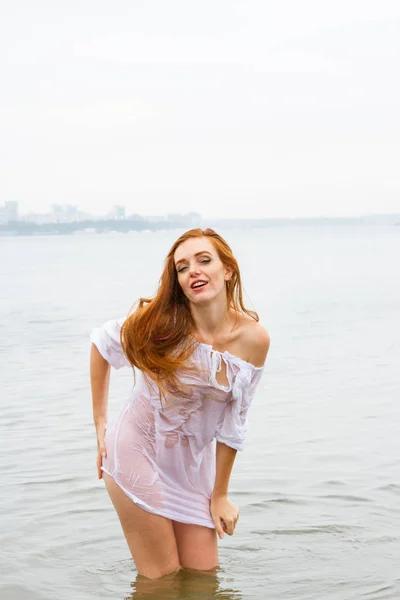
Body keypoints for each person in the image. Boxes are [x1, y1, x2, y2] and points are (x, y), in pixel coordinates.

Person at [90, 227, 270, 580]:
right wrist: (100, 424)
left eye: (204, 261)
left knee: (205, 578)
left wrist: (220, 494)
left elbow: (235, 423)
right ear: (179, 281)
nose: (193, 271)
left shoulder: (254, 339)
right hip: (135, 450)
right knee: (162, 580)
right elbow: (101, 345)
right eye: (183, 267)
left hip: (191, 467)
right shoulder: (162, 325)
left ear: (228, 269)